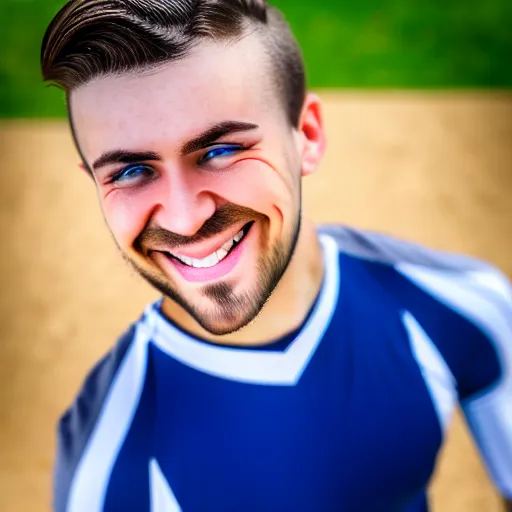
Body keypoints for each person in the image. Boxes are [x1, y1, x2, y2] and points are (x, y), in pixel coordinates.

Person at [40, 1, 512, 511]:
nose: (182, 219)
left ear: (306, 135)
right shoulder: (104, 469)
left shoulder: (462, 303)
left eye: (219, 150)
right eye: (130, 172)